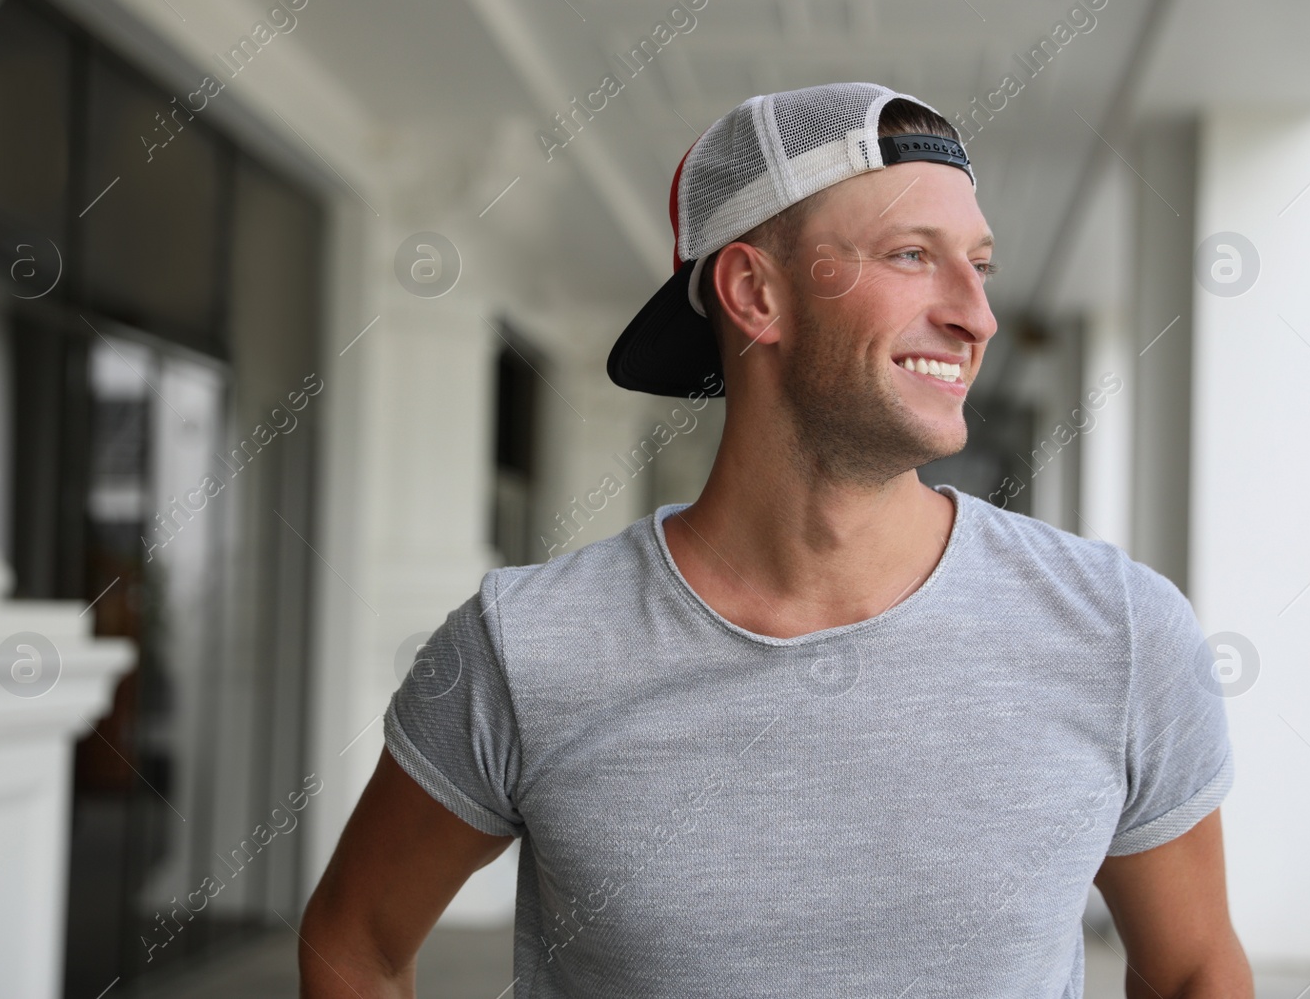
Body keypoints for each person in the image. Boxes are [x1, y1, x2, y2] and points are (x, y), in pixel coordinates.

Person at [299, 82, 1250, 998]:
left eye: (981, 262)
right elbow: (354, 944)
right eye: (914, 254)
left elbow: (1196, 970)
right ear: (756, 294)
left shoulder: (1118, 630)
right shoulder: (523, 647)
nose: (977, 313)